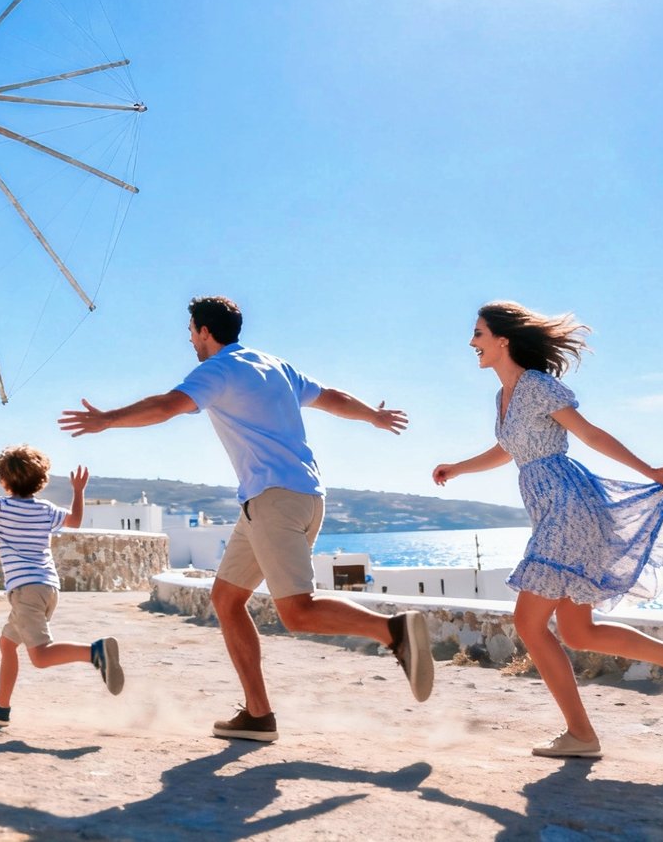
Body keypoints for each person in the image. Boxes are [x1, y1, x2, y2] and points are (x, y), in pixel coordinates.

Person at [59, 295, 432, 743]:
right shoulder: (273, 365)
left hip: (274, 500)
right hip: (294, 498)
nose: (190, 340)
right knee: (226, 599)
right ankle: (258, 715)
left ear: (203, 331)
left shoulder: (219, 369)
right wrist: (372, 415)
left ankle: (392, 632)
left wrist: (107, 420)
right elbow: (331, 397)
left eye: (191, 332)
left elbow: (167, 405)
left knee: (297, 612)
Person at [431, 301, 663, 759]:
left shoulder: (539, 386)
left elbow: (589, 434)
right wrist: (459, 469)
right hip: (550, 510)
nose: (472, 343)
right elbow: (508, 450)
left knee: (528, 622)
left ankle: (581, 735)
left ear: (503, 340)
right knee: (578, 632)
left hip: (570, 507)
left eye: (479, 334)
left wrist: (647, 469)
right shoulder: (502, 398)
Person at [0, 432, 124, 725]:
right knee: (7, 644)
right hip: (47, 588)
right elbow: (75, 522)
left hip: (26, 591)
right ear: (41, 481)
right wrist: (78, 491)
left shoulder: (1, 507)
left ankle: (95, 652)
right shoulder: (46, 510)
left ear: (4, 481)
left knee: (40, 657)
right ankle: (1, 706)